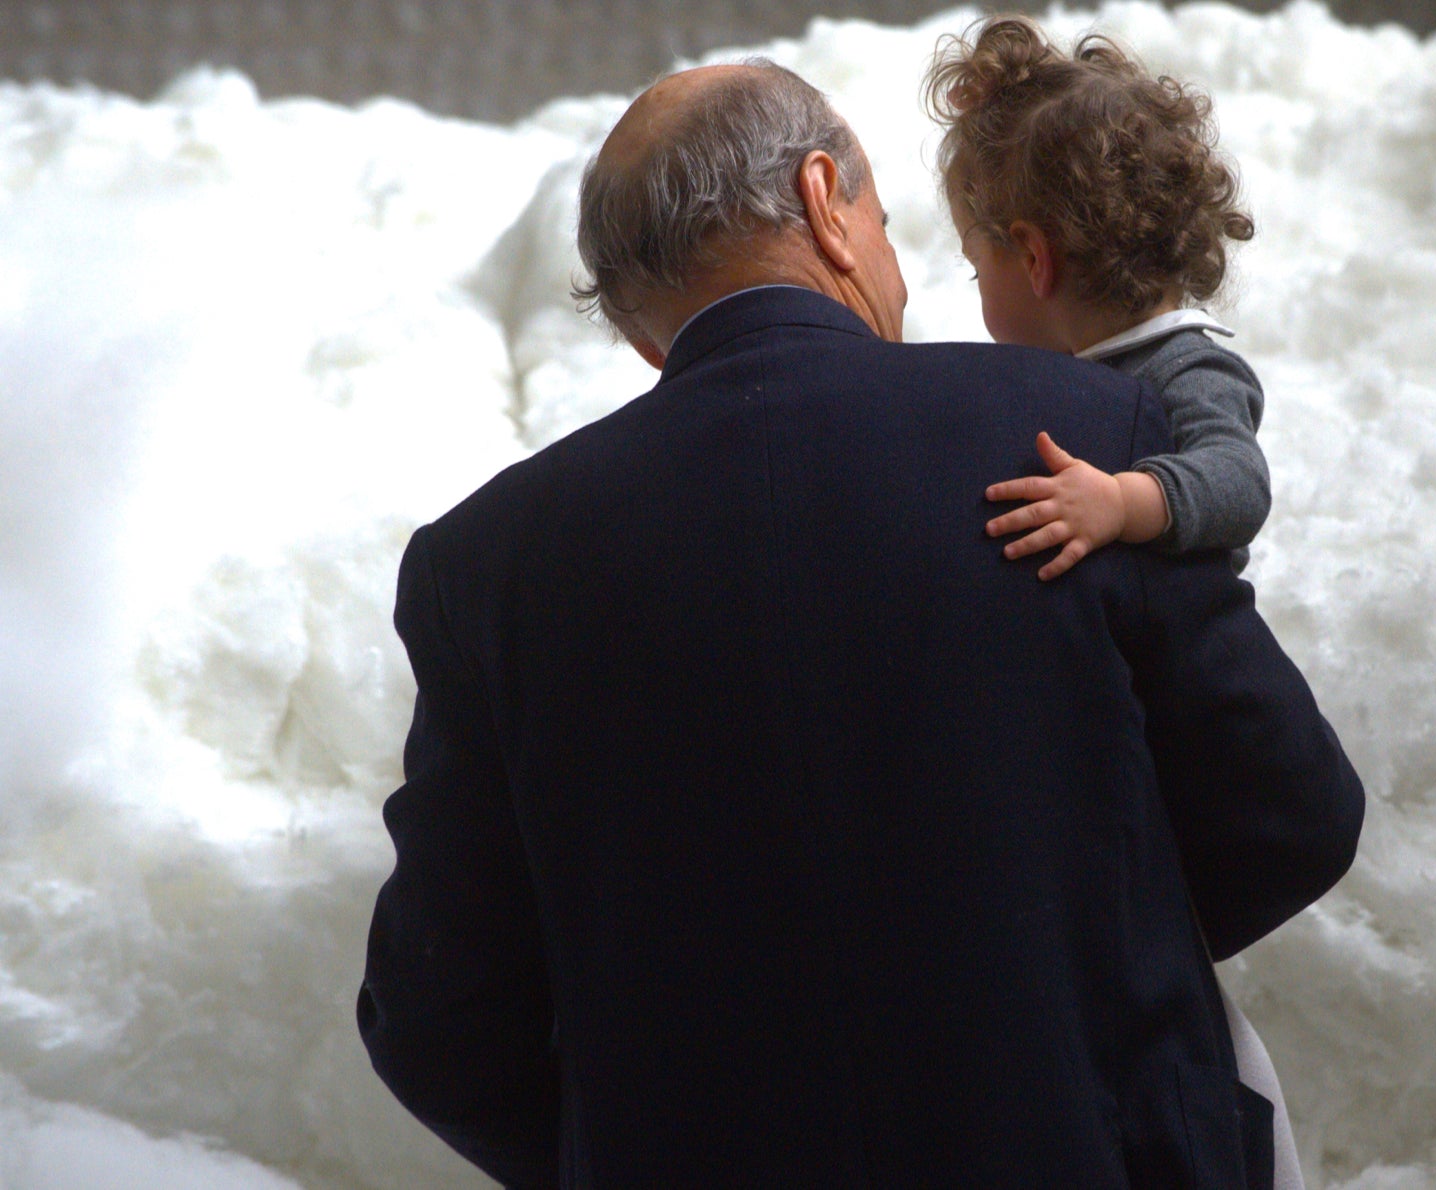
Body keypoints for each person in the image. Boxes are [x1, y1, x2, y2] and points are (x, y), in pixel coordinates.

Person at [357, 58, 1364, 1189]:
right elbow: (1292, 809)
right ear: (829, 205)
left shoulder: (487, 566)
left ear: (647, 337)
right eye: (885, 224)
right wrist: (1069, 981)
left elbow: (438, 1018)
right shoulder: (1077, 439)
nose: (896, 267)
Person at [923, 18, 1305, 1188]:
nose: (976, 285)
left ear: (1030, 259)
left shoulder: (1189, 365)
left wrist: (1122, 502)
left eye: (976, 262)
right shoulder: (1069, 379)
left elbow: (1238, 482)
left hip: (1182, 710)